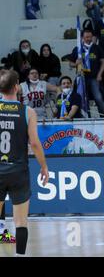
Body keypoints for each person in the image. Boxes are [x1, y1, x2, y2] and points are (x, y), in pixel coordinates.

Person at [0, 69, 49, 256]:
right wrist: (44, 166)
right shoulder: (27, 111)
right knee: (20, 223)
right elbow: (35, 143)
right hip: (18, 171)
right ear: (17, 87)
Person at [68, 29, 104, 115]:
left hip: (94, 77)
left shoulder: (97, 47)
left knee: (98, 97)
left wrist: (100, 74)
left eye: (90, 37)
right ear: (82, 37)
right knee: (82, 99)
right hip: (81, 78)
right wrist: (75, 64)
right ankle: (85, 117)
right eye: (86, 37)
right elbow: (70, 64)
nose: (88, 39)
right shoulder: (77, 49)